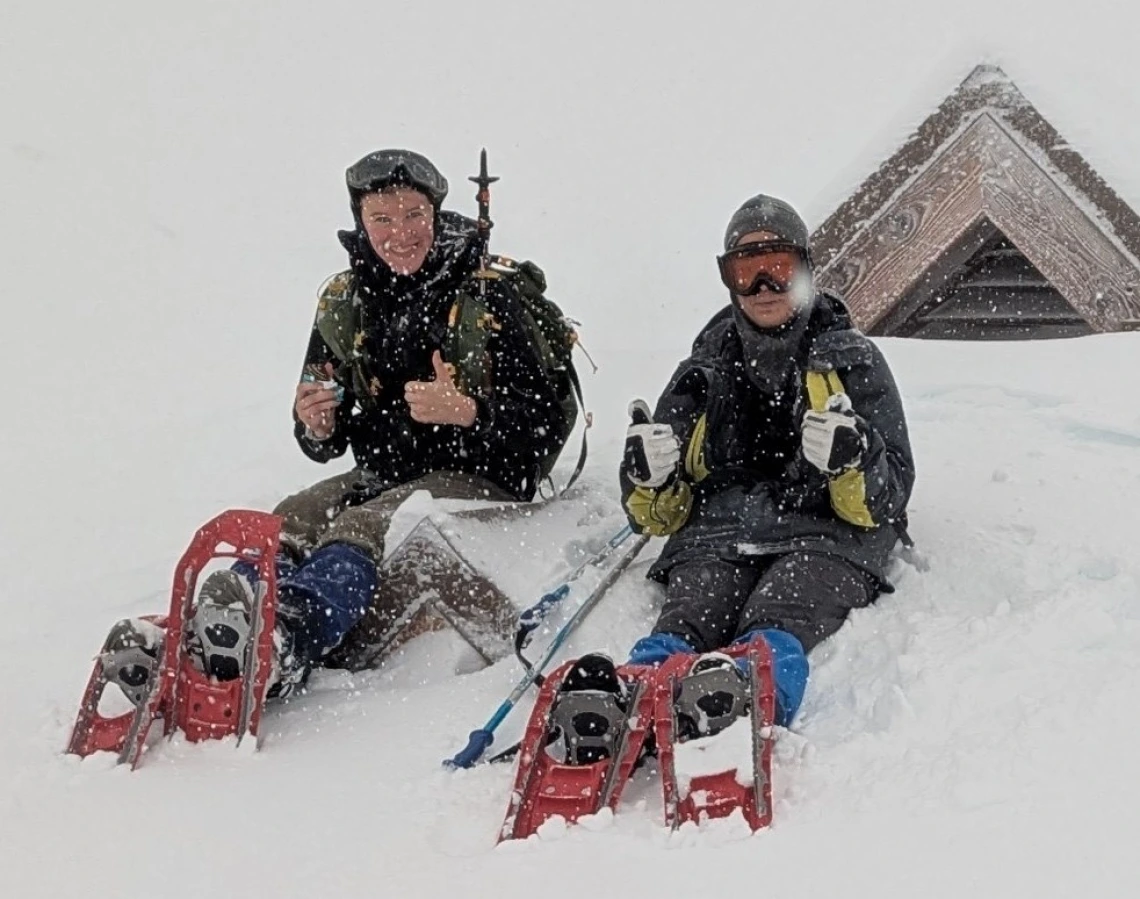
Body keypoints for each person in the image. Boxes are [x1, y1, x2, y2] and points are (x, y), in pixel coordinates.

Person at [103, 149, 570, 698]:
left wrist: (468, 413)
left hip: (486, 475)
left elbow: (545, 423)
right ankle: (220, 627)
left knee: (362, 527)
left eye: (414, 215)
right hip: (389, 468)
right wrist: (317, 426)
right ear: (360, 221)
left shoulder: (491, 293)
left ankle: (285, 637)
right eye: (383, 219)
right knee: (290, 519)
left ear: (436, 214)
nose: (401, 234)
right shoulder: (344, 298)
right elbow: (323, 428)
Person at [564, 194, 914, 737]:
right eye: (747, 272)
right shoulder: (703, 369)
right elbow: (655, 516)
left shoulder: (853, 360)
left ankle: (744, 691)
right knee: (692, 606)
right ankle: (634, 696)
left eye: (778, 270)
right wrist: (646, 476)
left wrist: (854, 460)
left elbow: (891, 497)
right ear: (728, 279)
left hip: (824, 535)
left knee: (783, 607)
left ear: (804, 271)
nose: (764, 289)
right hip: (719, 532)